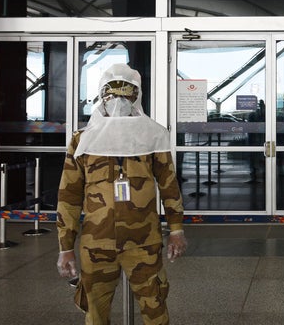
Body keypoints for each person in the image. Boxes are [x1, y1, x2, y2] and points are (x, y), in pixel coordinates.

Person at [55, 63, 187, 325]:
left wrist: (176, 230)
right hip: (96, 244)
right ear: (102, 97)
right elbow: (68, 197)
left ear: (135, 97)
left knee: (155, 310)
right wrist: (65, 246)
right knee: (95, 312)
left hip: (144, 242)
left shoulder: (153, 135)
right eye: (112, 94)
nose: (118, 101)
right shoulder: (82, 140)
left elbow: (169, 186)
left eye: (125, 95)